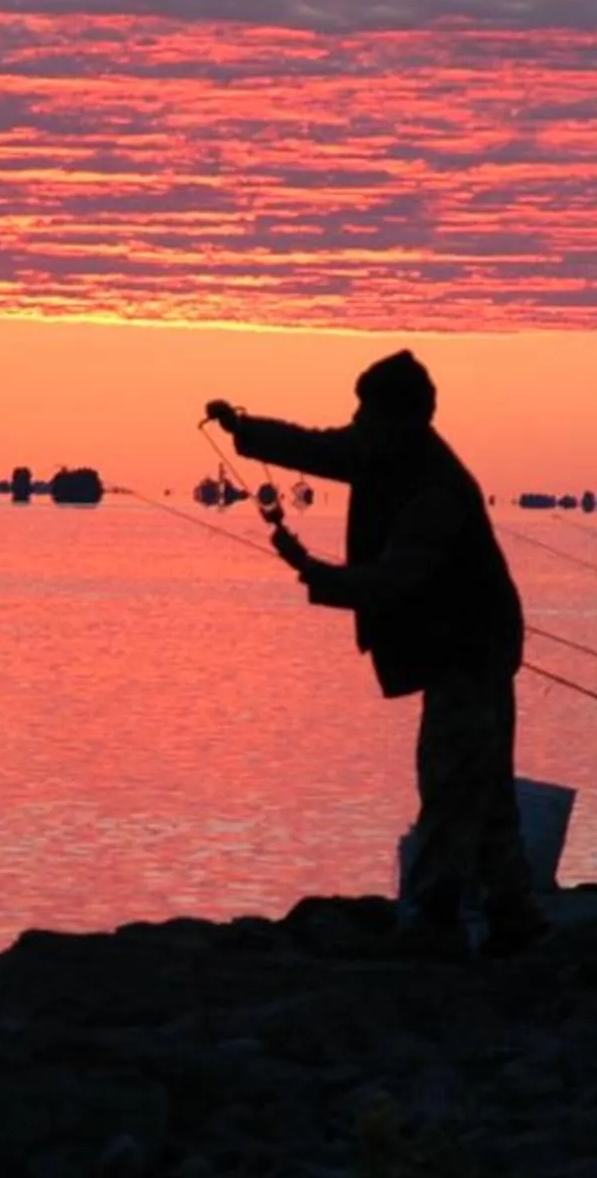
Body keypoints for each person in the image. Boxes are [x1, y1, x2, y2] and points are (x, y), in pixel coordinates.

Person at [205, 351, 547, 951]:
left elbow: (395, 580)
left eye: (367, 412)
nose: (356, 423)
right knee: (485, 783)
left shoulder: (433, 488)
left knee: (452, 779)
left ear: (400, 418)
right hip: (468, 645)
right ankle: (512, 912)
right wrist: (244, 429)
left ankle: (435, 923)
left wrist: (316, 574)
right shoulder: (388, 454)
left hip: (469, 649)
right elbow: (323, 449)